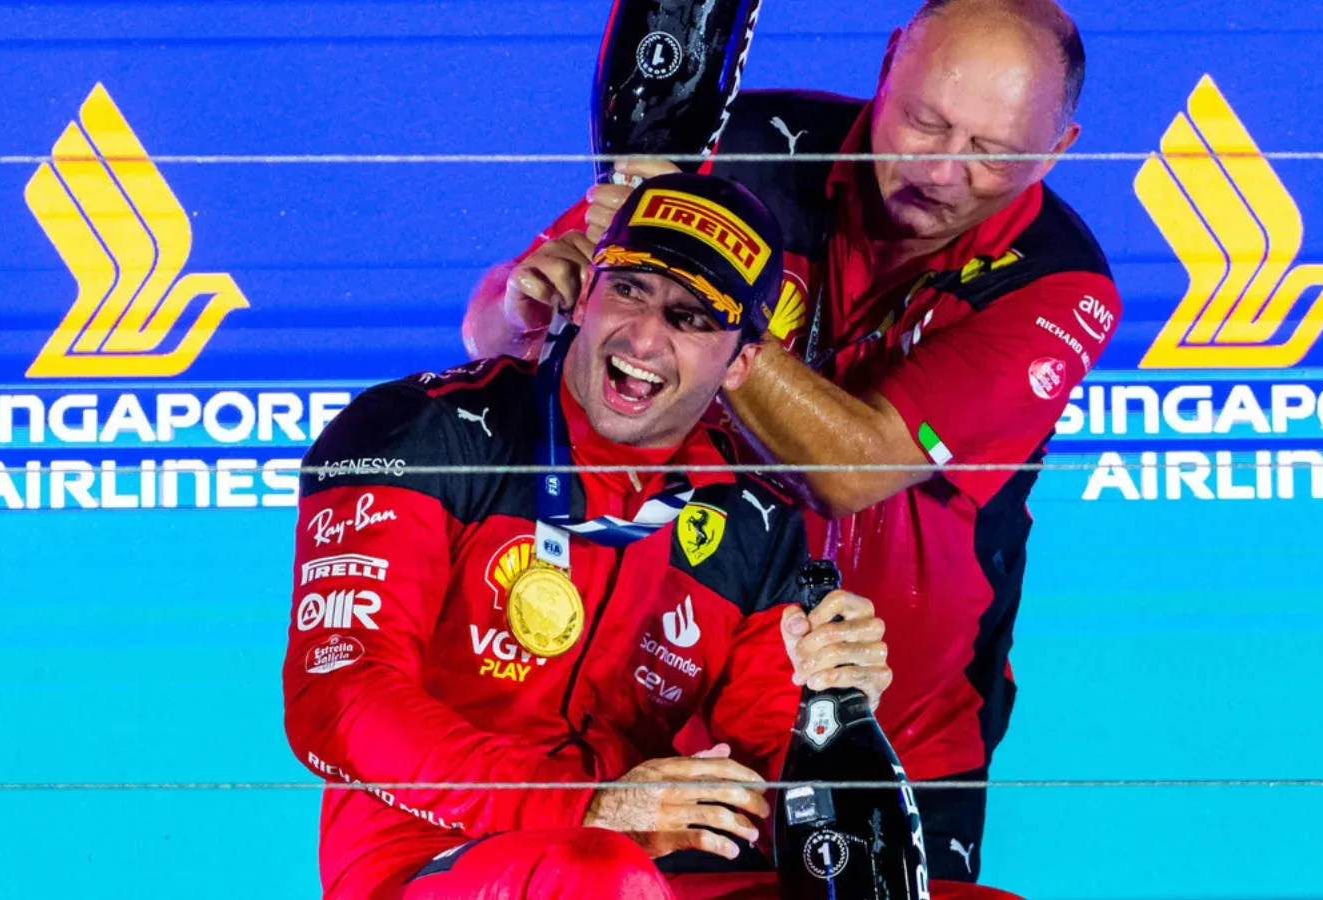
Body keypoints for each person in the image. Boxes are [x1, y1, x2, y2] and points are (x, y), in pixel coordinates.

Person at [461, 0, 1121, 882]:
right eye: (923, 121)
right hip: (663, 714)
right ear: (888, 65)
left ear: (1060, 147)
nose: (941, 169)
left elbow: (849, 469)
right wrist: (525, 303)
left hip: (896, 737)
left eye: (990, 153)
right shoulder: (739, 155)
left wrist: (699, 306)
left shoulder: (1058, 288)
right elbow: (497, 333)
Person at [285, 173, 915, 900]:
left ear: (742, 361)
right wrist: (590, 806)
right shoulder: (416, 430)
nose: (644, 338)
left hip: (646, 867)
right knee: (598, 876)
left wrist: (830, 711)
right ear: (586, 294)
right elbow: (337, 699)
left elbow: (772, 773)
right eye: (631, 290)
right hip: (424, 861)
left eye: (692, 318)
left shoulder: (755, 517)